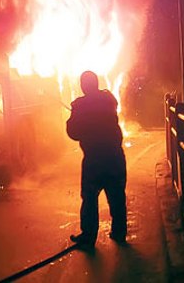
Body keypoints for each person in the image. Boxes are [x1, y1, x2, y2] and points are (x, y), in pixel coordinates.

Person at [66, 70, 127, 247]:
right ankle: (119, 232)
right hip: (115, 157)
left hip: (94, 160)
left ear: (83, 86)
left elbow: (73, 133)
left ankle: (88, 236)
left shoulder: (80, 105)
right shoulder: (109, 100)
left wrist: (75, 113)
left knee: (90, 198)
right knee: (117, 196)